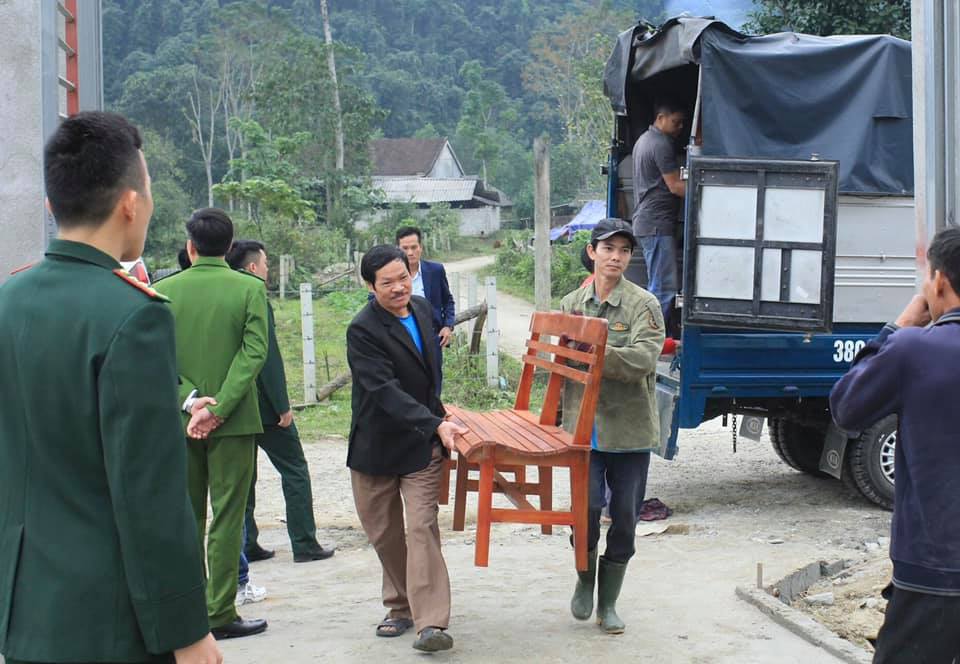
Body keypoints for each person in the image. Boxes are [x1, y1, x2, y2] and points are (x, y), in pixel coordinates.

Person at [0, 112, 221, 663]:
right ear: (131, 203)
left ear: (53, 205)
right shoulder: (132, 316)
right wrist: (188, 633)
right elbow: (150, 495)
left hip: (23, 613)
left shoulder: (8, 302)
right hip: (112, 622)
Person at [831, 227, 960, 664]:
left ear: (938, 281)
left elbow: (846, 407)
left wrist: (898, 326)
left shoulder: (914, 349)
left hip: (934, 570)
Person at [154, 208, 270, 640]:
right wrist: (220, 406)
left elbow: (156, 356)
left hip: (180, 421)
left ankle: (186, 613)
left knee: (186, 517)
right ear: (230, 245)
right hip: (235, 422)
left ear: (190, 246)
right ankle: (219, 612)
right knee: (227, 517)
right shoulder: (249, 288)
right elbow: (254, 353)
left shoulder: (162, 291)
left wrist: (191, 403)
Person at [346, 245, 467, 652]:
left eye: (403, 277)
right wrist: (435, 421)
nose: (399, 287)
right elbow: (384, 390)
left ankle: (430, 623)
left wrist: (438, 421)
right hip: (376, 447)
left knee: (421, 527)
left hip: (420, 444)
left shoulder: (421, 308)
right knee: (385, 534)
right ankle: (400, 605)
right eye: (387, 283)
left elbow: (429, 375)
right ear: (369, 286)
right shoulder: (362, 329)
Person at [561, 218, 665, 634]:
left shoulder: (645, 305)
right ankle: (584, 580)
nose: (615, 257)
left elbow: (643, 359)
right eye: (608, 249)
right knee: (584, 511)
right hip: (584, 429)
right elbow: (560, 361)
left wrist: (594, 354)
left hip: (629, 430)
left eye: (623, 251)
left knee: (624, 516)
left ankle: (609, 603)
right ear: (592, 252)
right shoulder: (572, 303)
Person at [225, 240, 335, 564]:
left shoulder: (221, 292)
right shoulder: (254, 294)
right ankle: (304, 542)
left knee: (244, 476)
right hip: (263, 404)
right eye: (266, 264)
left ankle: (248, 543)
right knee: (295, 469)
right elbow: (266, 356)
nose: (269, 269)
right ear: (252, 268)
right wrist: (282, 404)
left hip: (231, 402)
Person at [631, 99, 687, 325]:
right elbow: (675, 186)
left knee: (658, 284)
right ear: (661, 118)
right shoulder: (660, 144)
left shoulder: (643, 140)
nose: (680, 127)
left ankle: (649, 335)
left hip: (649, 222)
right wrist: (707, 192)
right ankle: (651, 337)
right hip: (656, 224)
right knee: (664, 287)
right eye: (676, 122)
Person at [395, 226, 456, 390]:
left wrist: (448, 326)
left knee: (434, 382)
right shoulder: (392, 276)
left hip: (432, 337)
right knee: (405, 383)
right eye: (405, 248)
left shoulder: (435, 271)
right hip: (401, 339)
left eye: (414, 247)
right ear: (398, 250)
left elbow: (448, 301)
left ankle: (433, 414)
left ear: (421, 247)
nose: (410, 253)